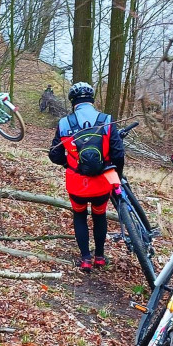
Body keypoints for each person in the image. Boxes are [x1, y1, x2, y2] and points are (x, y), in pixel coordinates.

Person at [48, 82, 125, 271]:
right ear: (92, 100)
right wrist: (117, 176)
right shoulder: (107, 120)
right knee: (99, 217)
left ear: (72, 101)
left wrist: (69, 163)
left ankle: (85, 259)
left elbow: (54, 154)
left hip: (76, 183)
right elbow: (118, 154)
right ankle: (100, 257)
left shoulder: (64, 123)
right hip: (101, 183)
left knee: (80, 216)